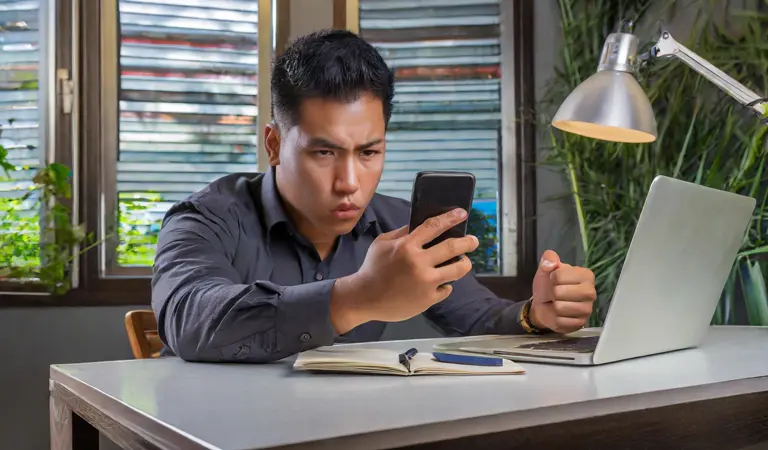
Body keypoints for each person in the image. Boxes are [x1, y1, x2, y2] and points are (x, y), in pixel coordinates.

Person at [151, 29, 597, 363]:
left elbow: (480, 319)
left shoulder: (402, 230)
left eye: (368, 152)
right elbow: (190, 320)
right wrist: (354, 297)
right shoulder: (204, 218)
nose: (349, 181)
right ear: (273, 145)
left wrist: (537, 313)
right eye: (323, 152)